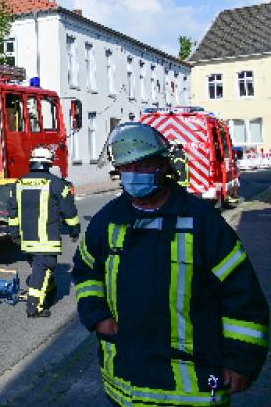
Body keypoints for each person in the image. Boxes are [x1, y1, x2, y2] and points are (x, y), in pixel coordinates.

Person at [72, 123, 269, 406]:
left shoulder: (202, 222)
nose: (134, 175)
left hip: (195, 388)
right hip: (126, 385)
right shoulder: (107, 220)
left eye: (143, 165)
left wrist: (241, 361)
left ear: (163, 165)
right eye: (127, 168)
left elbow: (242, 294)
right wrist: (98, 316)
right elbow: (87, 271)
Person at [7, 146, 80, 318]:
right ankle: (34, 307)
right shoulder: (57, 184)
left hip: (27, 240)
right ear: (49, 164)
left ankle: (49, 289)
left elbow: (13, 211)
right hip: (46, 240)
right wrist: (74, 230)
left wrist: (14, 232)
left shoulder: (19, 183)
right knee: (43, 269)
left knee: (41, 269)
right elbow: (69, 211)